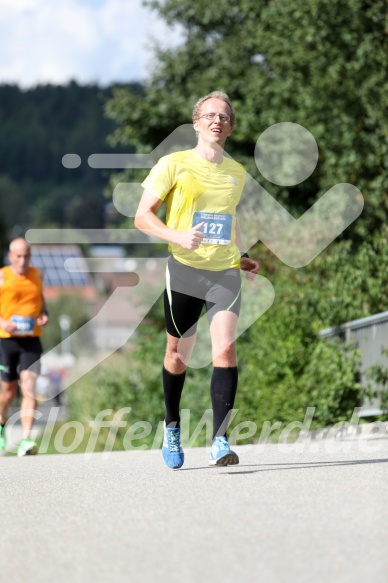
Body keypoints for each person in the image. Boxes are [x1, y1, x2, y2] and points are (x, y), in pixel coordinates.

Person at [135, 91, 259, 469]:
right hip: (185, 270)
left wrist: (242, 256)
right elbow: (142, 217)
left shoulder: (237, 173)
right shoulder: (172, 164)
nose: (217, 121)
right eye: (210, 115)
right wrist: (177, 236)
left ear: (231, 127)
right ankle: (171, 428)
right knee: (177, 356)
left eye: (224, 117)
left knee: (225, 350)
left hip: (224, 272)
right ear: (196, 123)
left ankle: (220, 440)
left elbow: (228, 223)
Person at [0, 238, 49, 456]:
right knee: (8, 393)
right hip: (6, 340)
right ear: (11, 257)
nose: (23, 260)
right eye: (18, 256)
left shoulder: (37, 274)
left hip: (31, 339)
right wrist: (3, 323)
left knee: (29, 386)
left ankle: (26, 439)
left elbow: (40, 300)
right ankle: (1, 423)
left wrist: (44, 314)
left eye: (26, 256)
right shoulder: (3, 276)